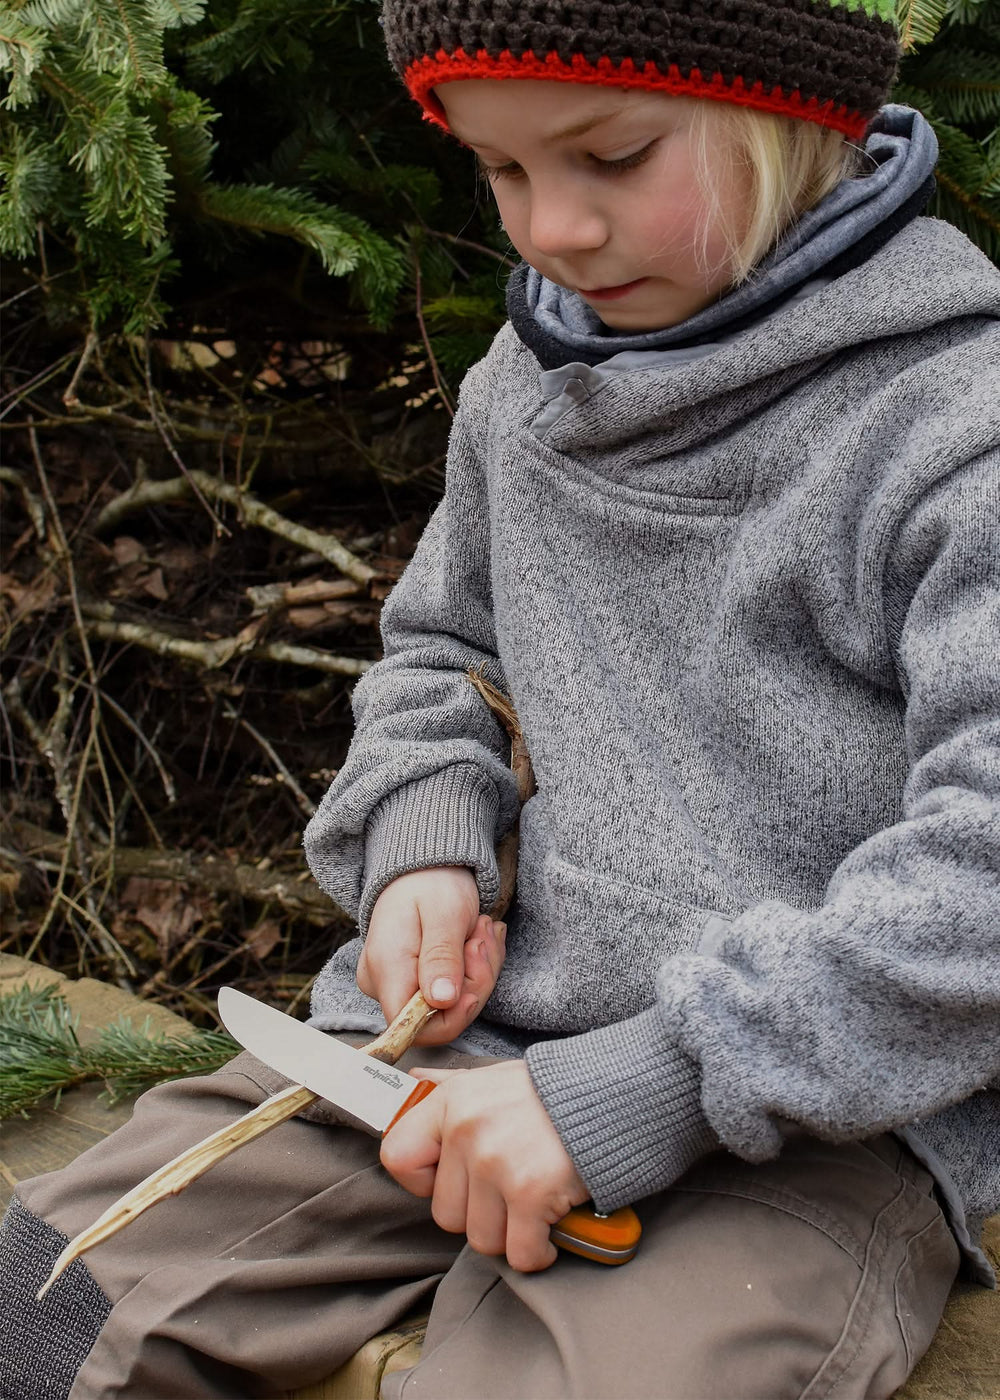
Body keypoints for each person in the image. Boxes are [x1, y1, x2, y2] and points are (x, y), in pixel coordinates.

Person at [3, 1, 999, 1396]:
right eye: (503, 170)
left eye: (615, 156)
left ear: (797, 112)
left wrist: (651, 1084)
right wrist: (424, 845)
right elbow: (444, 652)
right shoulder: (528, 381)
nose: (554, 231)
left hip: (801, 1127)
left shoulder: (956, 430)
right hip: (448, 1055)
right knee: (41, 1308)